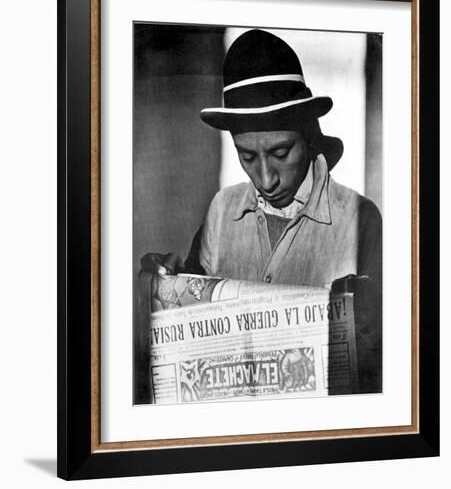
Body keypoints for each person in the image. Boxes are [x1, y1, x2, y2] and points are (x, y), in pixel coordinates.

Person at [140, 29, 382, 392]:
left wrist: (371, 325)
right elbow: (189, 319)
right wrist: (167, 284)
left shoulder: (360, 219)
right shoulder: (221, 210)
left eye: (281, 153)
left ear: (309, 135)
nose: (266, 179)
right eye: (247, 156)